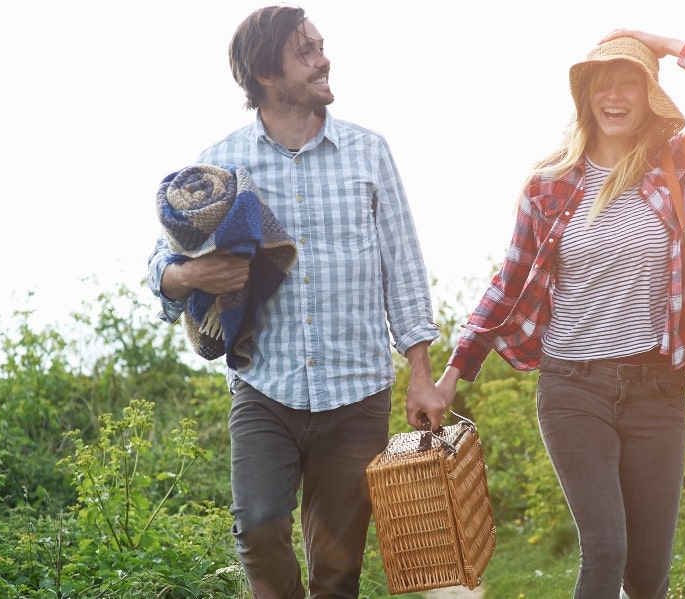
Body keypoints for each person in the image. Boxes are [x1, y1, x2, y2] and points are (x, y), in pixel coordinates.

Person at [434, 29, 685, 598]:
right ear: (585, 97)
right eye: (601, 85)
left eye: (628, 83)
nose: (613, 96)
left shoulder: (678, 163)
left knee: (647, 576)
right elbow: (509, 281)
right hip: (574, 387)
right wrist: (452, 374)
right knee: (607, 548)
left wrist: (662, 45)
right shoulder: (549, 184)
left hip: (657, 391)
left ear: (649, 95)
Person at [146, 5, 449, 598]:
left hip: (357, 393)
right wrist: (190, 274)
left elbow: (403, 264)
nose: (323, 59)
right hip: (266, 388)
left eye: (320, 46)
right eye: (305, 52)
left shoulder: (369, 151)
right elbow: (161, 261)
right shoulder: (224, 162)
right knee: (258, 531)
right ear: (265, 74)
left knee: (338, 573)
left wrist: (421, 374)